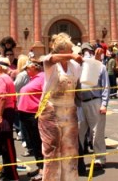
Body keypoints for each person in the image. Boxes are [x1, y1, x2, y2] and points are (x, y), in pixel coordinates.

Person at [38, 32, 83, 181]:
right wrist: (71, 56)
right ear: (62, 51)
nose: (72, 51)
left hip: (69, 111)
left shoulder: (74, 66)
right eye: (70, 49)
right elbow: (48, 59)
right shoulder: (51, 64)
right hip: (51, 111)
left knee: (70, 150)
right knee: (52, 152)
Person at [77, 44, 110, 170]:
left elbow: (105, 86)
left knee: (97, 132)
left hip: (94, 101)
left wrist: (104, 104)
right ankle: (78, 159)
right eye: (84, 52)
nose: (86, 54)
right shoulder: (78, 67)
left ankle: (99, 159)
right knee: (79, 132)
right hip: (80, 103)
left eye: (88, 51)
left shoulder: (100, 67)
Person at [0, 56, 19, 181]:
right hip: (7, 112)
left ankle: (12, 174)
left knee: (7, 144)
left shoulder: (2, 78)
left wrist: (0, 115)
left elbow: (3, 98)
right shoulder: (7, 78)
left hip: (4, 113)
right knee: (4, 144)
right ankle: (7, 171)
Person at [17, 59, 45, 181]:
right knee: (33, 143)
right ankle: (39, 166)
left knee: (38, 142)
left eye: (28, 68)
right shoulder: (33, 79)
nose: (26, 71)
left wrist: (40, 112)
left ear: (35, 67)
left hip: (33, 115)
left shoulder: (42, 77)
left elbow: (46, 95)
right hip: (26, 114)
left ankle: (43, 169)